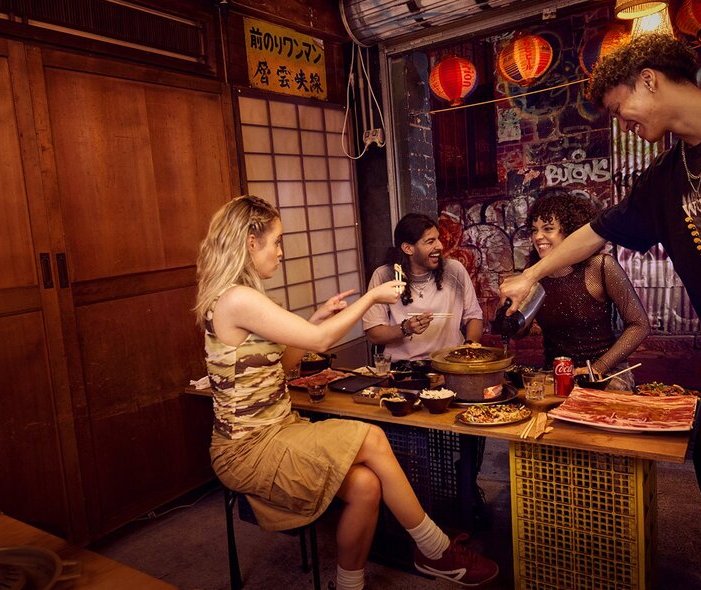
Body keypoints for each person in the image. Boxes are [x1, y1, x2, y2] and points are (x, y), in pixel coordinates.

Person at [499, 34, 701, 589]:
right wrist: (530, 274)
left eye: (619, 109)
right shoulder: (665, 178)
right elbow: (594, 232)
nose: (622, 123)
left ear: (650, 79)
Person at [194, 196, 498, 590]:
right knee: (372, 436)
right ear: (251, 243)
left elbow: (284, 365)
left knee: (366, 486)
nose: (281, 252)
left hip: (279, 429)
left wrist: (315, 319)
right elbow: (322, 340)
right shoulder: (238, 298)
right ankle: (433, 549)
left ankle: (349, 585)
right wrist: (370, 299)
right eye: (277, 242)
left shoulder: (238, 297)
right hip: (249, 447)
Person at [521, 188, 650, 389]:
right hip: (556, 374)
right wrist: (509, 309)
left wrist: (598, 367)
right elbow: (519, 333)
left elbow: (639, 324)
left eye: (547, 229)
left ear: (571, 232)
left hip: (605, 375)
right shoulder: (533, 273)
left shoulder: (600, 266)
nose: (538, 237)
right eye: (533, 230)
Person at [363, 213, 484, 361]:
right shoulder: (385, 275)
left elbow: (474, 316)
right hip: (405, 369)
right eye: (430, 241)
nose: (439, 246)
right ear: (408, 248)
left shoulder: (454, 270)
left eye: (438, 239)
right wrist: (406, 328)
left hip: (451, 363)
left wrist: (469, 348)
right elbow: (374, 334)